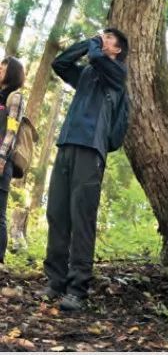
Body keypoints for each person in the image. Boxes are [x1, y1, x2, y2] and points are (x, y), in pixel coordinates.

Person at [43, 29, 129, 312]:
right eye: (100, 37)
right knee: (57, 213)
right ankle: (55, 281)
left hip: (91, 150)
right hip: (67, 143)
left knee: (82, 219)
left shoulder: (116, 76)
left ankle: (77, 288)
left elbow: (96, 57)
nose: (100, 40)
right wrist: (87, 43)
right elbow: (60, 64)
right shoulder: (88, 75)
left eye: (107, 39)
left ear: (116, 51)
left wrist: (95, 48)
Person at [0, 57, 26, 264]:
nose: (0, 69)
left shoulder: (14, 97)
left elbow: (12, 129)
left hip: (2, 159)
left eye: (4, 67)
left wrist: (1, 157)